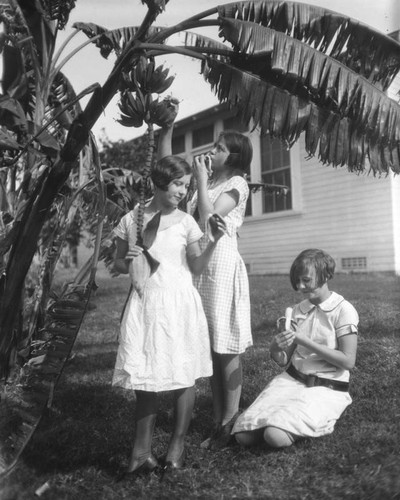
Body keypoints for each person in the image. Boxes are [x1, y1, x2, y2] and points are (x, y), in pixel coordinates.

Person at [112, 114, 227, 479]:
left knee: (183, 376)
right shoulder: (133, 218)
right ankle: (140, 452)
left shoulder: (187, 222)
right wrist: (124, 260)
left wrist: (215, 241)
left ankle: (176, 446)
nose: (182, 191)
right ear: (160, 183)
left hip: (179, 302)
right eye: (177, 184)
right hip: (147, 303)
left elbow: (196, 268)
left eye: (186, 186)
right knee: (146, 378)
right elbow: (114, 263)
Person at [232, 248, 359, 449]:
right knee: (243, 436)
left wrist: (305, 341)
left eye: (306, 280)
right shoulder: (299, 310)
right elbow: (283, 360)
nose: (300, 286)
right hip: (292, 380)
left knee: (274, 436)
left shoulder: (343, 310)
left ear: (325, 275)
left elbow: (348, 361)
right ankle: (283, 422)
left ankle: (291, 426)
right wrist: (275, 347)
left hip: (326, 386)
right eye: (297, 281)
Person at [189, 129, 253, 450]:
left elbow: (208, 216)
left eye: (220, 148)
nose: (212, 151)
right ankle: (217, 420)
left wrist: (200, 179)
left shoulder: (237, 183)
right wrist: (199, 181)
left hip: (222, 265)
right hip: (201, 264)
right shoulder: (210, 182)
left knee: (226, 344)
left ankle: (230, 420)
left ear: (234, 157)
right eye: (214, 145)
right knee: (212, 344)